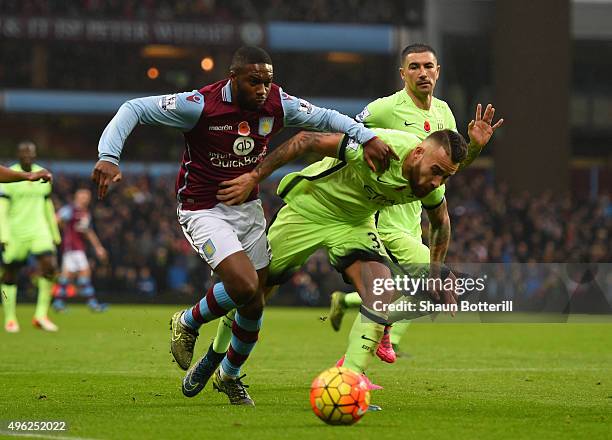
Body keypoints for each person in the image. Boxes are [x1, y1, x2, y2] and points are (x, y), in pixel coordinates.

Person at [92, 46, 396, 406]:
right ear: (233, 78)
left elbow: (329, 118)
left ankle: (229, 376)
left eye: (268, 81)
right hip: (203, 209)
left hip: (247, 210)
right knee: (246, 286)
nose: (263, 89)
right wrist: (109, 156)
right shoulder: (199, 104)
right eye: (255, 81)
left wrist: (367, 137)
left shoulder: (278, 104)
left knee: (254, 305)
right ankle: (188, 321)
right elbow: (134, 108)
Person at [183, 126, 473, 400]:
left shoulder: (432, 185)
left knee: (380, 293)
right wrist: (254, 177)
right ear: (418, 153)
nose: (437, 182)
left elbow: (441, 223)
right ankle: (215, 356)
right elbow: (305, 140)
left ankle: (348, 384)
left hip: (354, 224)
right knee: (252, 293)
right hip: (310, 209)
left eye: (445, 177)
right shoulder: (381, 150)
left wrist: (435, 271)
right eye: (436, 172)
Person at [328, 43, 504, 363]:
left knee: (405, 290)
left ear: (438, 71)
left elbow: (449, 168)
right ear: (402, 74)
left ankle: (362, 350)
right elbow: (347, 137)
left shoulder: (444, 113)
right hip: (382, 213)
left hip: (414, 218)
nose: (422, 73)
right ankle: (361, 357)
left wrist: (475, 148)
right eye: (414, 67)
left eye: (428, 66)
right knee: (436, 285)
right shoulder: (385, 109)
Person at [0, 141, 60, 333]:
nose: (27, 155)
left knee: (50, 266)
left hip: (39, 229)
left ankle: (41, 316)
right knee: (10, 273)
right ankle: (10, 318)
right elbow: (2, 207)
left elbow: (47, 206)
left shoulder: (43, 174)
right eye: (23, 152)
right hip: (16, 231)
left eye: (30, 153)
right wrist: (3, 234)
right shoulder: (9, 175)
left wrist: (54, 233)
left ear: (35, 155)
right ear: (17, 154)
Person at [52, 188, 108, 312]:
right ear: (77, 197)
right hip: (72, 247)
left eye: (88, 197)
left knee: (67, 276)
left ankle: (58, 302)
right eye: (84, 196)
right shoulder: (70, 209)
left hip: (78, 247)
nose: (86, 199)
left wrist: (98, 247)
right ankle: (92, 303)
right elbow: (55, 219)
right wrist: (58, 231)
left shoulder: (85, 212)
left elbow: (88, 231)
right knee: (84, 272)